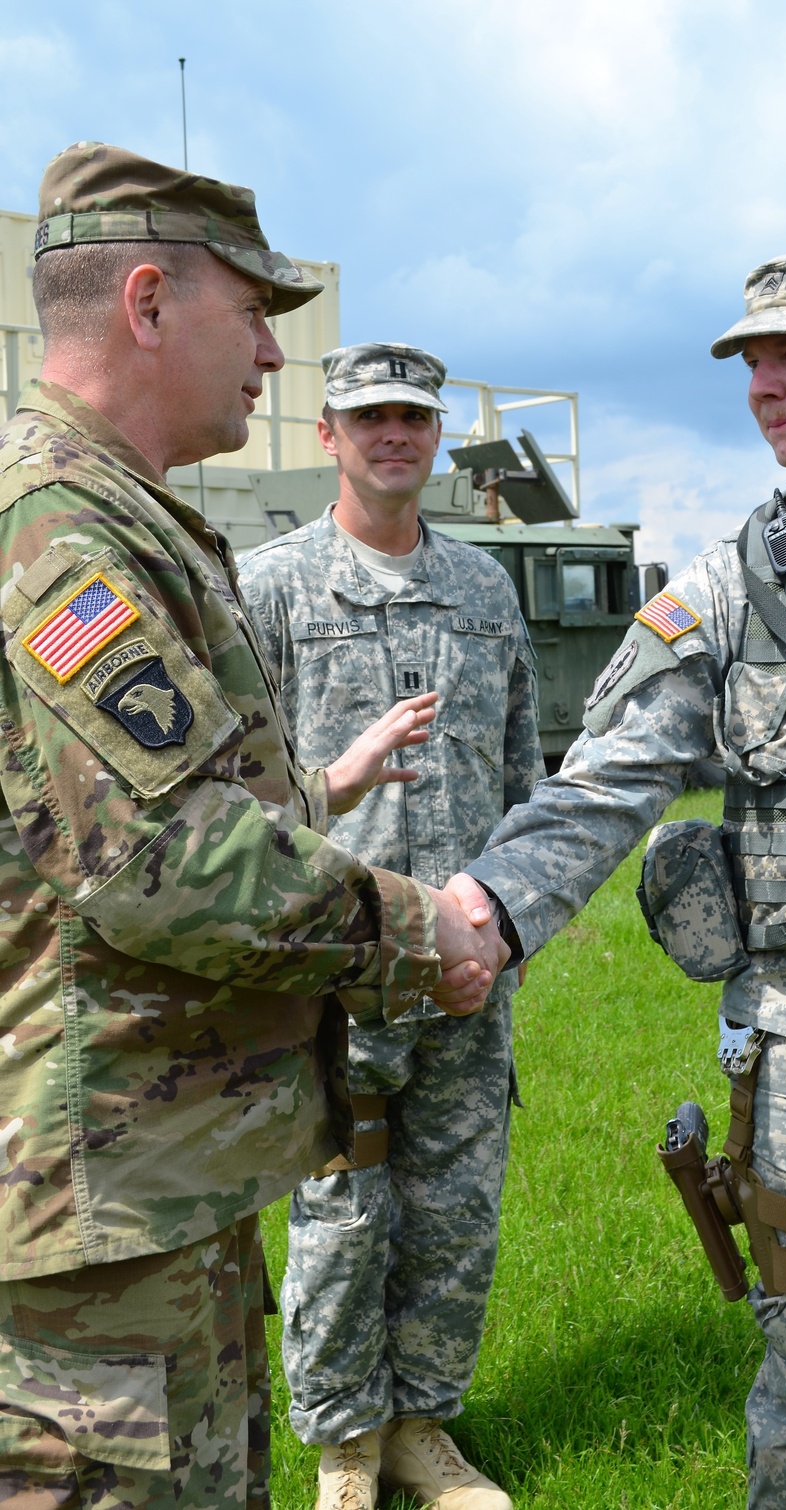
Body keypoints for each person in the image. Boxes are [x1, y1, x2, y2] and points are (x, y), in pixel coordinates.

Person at [443, 237, 786, 1508]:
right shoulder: (731, 590)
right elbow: (600, 782)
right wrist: (483, 908)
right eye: (750, 358)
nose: (762, 382)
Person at [0, 144, 505, 1510]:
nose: (276, 363)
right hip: (94, 1199)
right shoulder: (59, 534)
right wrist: (418, 928)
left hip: (152, 1175)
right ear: (150, 304)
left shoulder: (123, 517)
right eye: (254, 317)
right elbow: (166, 859)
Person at [239, 341, 544, 1510]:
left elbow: (522, 776)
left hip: (470, 964)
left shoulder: (483, 586)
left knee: (455, 1206)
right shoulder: (271, 587)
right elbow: (248, 795)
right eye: (369, 417)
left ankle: (422, 1427)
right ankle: (344, 1447)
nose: (394, 436)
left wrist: (507, 931)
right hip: (338, 964)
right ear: (327, 435)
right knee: (339, 1211)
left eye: (413, 417)